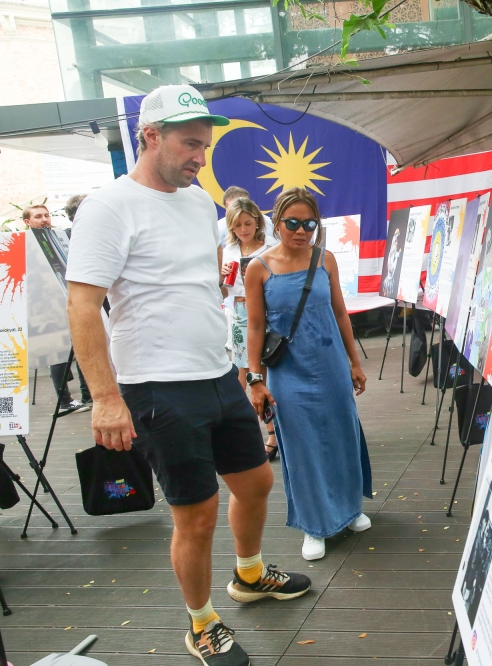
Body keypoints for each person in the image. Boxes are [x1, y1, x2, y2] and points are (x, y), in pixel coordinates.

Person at [65, 84, 310, 666]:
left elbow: (204, 293)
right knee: (195, 514)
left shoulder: (202, 203)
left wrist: (246, 373)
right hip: (156, 385)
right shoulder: (109, 206)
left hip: (218, 374)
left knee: (256, 484)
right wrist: (105, 398)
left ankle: (248, 575)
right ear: (150, 137)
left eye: (204, 145)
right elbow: (82, 306)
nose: (201, 157)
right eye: (190, 145)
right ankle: (201, 623)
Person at [244, 187, 373, 562]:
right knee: (300, 446)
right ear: (278, 222)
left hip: (331, 364)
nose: (301, 231)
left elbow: (340, 313)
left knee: (342, 434)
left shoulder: (325, 259)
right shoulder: (259, 267)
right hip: (287, 371)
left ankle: (349, 508)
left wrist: (354, 361)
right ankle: (313, 524)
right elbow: (254, 327)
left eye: (310, 224)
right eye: (293, 223)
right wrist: (255, 379)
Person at [221, 197, 278, 459]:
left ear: (257, 221)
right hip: (238, 314)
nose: (243, 229)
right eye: (237, 225)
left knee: (263, 374)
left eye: (247, 223)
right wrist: (220, 277)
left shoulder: (271, 248)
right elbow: (223, 291)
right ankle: (258, 433)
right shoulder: (228, 250)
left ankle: (274, 433)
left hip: (265, 314)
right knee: (244, 378)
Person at [23, 204, 91, 413]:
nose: (44, 219)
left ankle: (87, 395)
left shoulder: (56, 237)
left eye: (46, 215)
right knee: (59, 354)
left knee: (81, 346)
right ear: (27, 221)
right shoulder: (26, 244)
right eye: (38, 217)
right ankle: (64, 401)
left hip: (69, 298)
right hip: (46, 307)